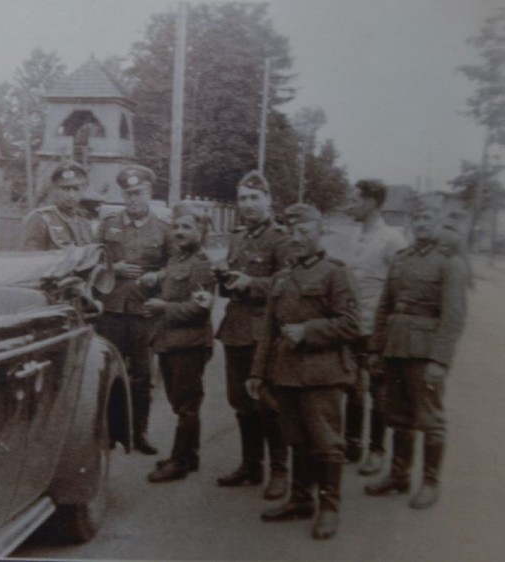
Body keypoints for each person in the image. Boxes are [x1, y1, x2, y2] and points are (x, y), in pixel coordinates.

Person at [247, 203, 359, 541]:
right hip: (286, 374)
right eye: (292, 232)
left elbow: (351, 324)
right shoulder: (282, 277)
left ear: (319, 234)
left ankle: (329, 507)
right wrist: (257, 373)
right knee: (296, 438)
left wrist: (308, 331)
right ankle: (300, 499)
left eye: (304, 232)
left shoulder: (335, 273)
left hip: (322, 375)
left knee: (326, 443)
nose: (296, 239)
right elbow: (268, 329)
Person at [364, 204, 468, 510]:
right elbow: (385, 308)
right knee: (398, 416)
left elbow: (453, 318)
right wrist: (376, 349)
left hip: (425, 354)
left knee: (430, 419)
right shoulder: (402, 259)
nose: (421, 223)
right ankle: (398, 476)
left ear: (439, 221)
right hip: (395, 348)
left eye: (428, 218)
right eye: (417, 217)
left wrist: (440, 361)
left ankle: (430, 482)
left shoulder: (450, 263)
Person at [214, 170, 290, 500]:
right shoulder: (238, 236)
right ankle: (251, 464)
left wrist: (252, 284)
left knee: (267, 403)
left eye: (254, 198)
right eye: (243, 199)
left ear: (269, 200)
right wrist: (226, 279)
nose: (247, 204)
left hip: (264, 334)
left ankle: (279, 470)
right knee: (241, 401)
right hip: (236, 329)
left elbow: (289, 285)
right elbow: (232, 286)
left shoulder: (281, 239)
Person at [95, 164, 170, 455]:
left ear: (149, 192)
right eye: (128, 193)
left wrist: (157, 277)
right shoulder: (109, 224)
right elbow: (92, 260)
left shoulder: (164, 230)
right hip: (112, 311)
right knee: (108, 371)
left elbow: (175, 267)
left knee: (142, 376)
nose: (133, 199)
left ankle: (139, 432)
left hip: (143, 313)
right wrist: (114, 267)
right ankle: (110, 432)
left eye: (138, 193)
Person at [140, 202, 216, 482]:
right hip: (170, 342)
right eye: (176, 227)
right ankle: (189, 455)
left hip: (189, 344)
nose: (179, 232)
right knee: (178, 402)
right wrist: (155, 278)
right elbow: (171, 278)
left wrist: (163, 308)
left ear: (200, 230)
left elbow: (200, 308)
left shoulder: (201, 264)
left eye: (187, 227)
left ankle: (181, 461)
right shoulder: (177, 259)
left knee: (186, 405)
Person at [343, 180, 408, 475]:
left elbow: (401, 288)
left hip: (377, 330)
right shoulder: (356, 234)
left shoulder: (392, 240)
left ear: (371, 202)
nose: (350, 204)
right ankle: (352, 444)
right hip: (353, 326)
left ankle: (377, 450)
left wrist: (388, 331)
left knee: (378, 392)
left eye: (355, 199)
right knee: (353, 388)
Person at [21, 160, 94, 250]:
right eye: (65, 189)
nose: (71, 195)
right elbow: (31, 259)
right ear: (54, 190)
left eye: (76, 189)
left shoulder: (83, 222)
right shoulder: (41, 220)